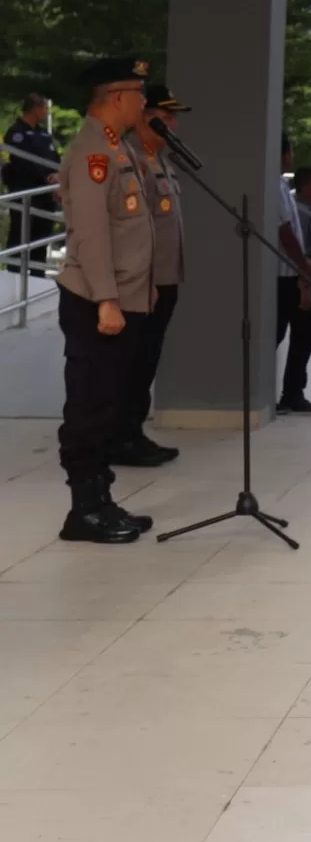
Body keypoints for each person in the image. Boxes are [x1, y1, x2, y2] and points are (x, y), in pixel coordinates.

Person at [52, 58, 159, 543]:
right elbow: (92, 234)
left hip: (123, 297)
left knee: (109, 401)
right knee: (91, 404)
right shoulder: (93, 152)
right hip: (97, 301)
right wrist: (107, 300)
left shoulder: (119, 148)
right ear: (117, 98)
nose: (144, 102)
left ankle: (102, 500)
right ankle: (85, 510)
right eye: (139, 94)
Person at [115, 84, 187, 467]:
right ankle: (120, 437)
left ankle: (133, 432)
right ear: (145, 118)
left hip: (164, 278)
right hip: (145, 282)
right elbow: (133, 230)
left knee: (147, 360)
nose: (174, 125)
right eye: (166, 117)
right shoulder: (130, 160)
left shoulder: (158, 160)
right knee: (133, 361)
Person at [273, 138, 311, 413]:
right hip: (285, 274)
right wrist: (303, 268)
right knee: (277, 334)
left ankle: (293, 392)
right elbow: (286, 233)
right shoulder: (275, 186)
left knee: (301, 340)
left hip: (296, 274)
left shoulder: (282, 185)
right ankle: (280, 393)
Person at [4, 92, 61, 275]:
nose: (46, 112)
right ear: (36, 108)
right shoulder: (16, 133)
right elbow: (24, 163)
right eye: (44, 108)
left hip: (46, 196)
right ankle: (14, 278)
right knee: (20, 239)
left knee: (40, 242)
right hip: (26, 194)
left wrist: (58, 177)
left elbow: (54, 158)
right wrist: (47, 178)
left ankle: (39, 278)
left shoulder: (43, 133)